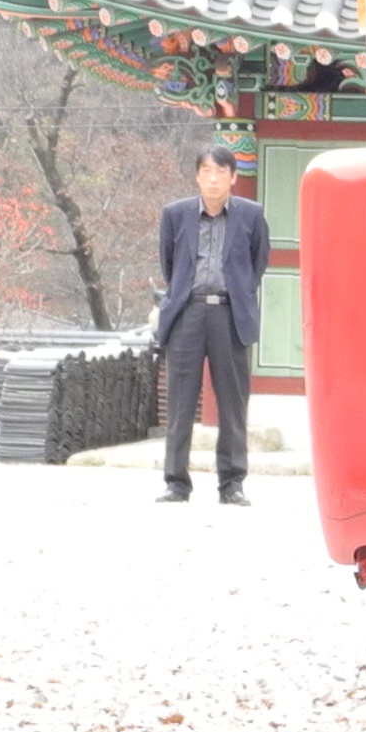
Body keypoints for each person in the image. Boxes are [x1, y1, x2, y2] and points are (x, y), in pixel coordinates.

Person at [150, 145, 269, 505]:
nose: (213, 179)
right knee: (181, 403)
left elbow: (257, 264)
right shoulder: (175, 214)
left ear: (233, 177)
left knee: (232, 404)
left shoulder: (251, 215)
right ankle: (176, 483)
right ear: (197, 176)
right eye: (206, 171)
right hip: (187, 312)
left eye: (220, 172)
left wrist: (237, 294)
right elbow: (170, 265)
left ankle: (232, 484)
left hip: (229, 314)